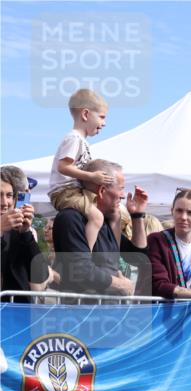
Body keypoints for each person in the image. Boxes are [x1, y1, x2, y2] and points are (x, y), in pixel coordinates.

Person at [52, 159, 147, 296]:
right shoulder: (71, 219)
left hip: (108, 313)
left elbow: (139, 259)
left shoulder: (108, 222)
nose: (123, 195)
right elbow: (81, 271)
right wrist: (121, 284)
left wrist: (137, 216)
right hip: (80, 314)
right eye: (121, 188)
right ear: (102, 191)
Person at [47, 88, 116, 251]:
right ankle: (86, 255)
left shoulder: (82, 141)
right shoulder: (74, 138)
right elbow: (63, 166)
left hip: (73, 191)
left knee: (102, 210)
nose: (104, 123)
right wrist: (92, 176)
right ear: (85, 114)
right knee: (97, 217)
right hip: (65, 192)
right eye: (101, 117)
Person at [145, 189, 191, 317]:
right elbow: (159, 285)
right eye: (179, 210)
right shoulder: (156, 240)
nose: (183, 217)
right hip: (162, 317)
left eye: (190, 213)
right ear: (172, 211)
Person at [1, 166, 54, 301]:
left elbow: (40, 278)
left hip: (18, 314)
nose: (4, 203)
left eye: (9, 195)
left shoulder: (21, 232)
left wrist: (26, 235)